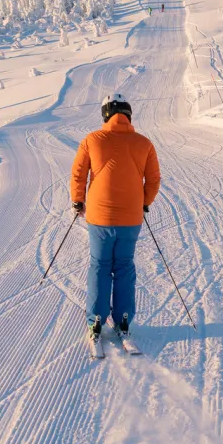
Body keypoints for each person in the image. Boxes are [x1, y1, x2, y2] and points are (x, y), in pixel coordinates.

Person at [70, 93, 161, 348]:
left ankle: (96, 320)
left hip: (99, 217)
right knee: (123, 265)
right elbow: (154, 180)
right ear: (128, 115)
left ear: (105, 115)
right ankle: (123, 320)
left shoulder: (92, 140)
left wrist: (78, 201)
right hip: (131, 218)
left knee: (100, 265)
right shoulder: (144, 143)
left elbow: (78, 173)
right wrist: (144, 203)